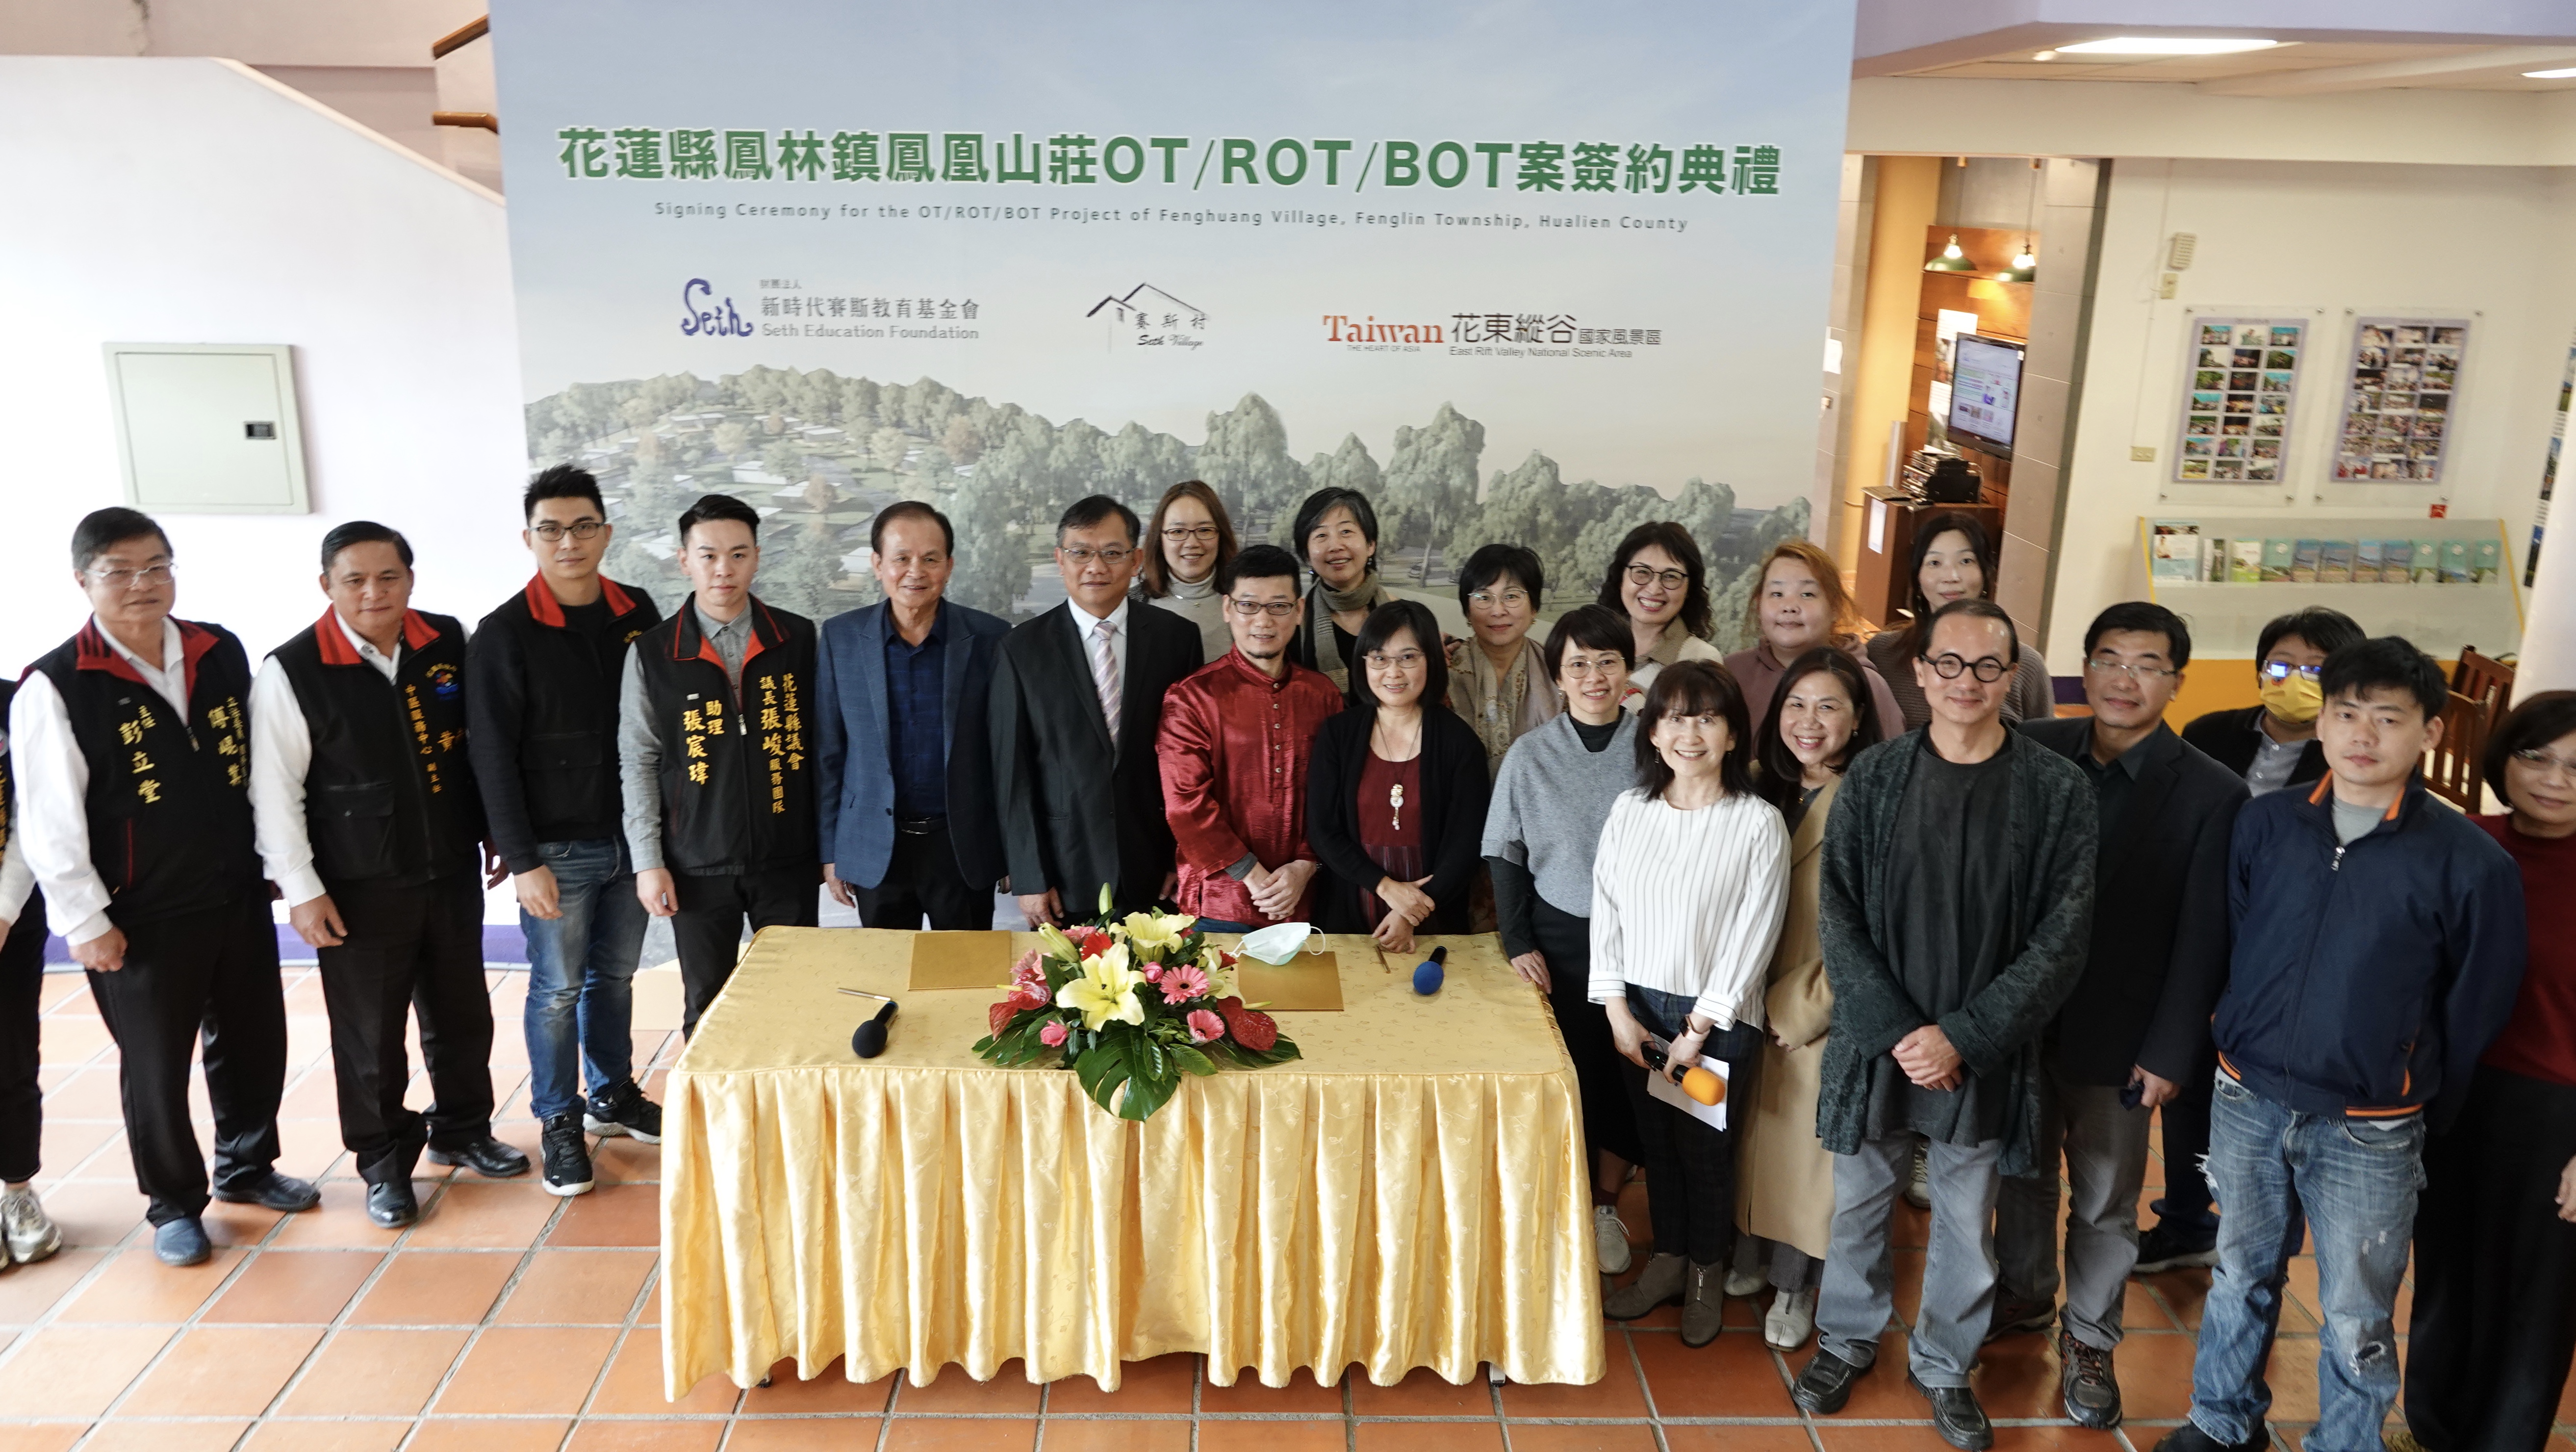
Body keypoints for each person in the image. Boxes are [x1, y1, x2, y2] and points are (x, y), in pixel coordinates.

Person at [2156, 638, 2524, 1452]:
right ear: (2321, 723)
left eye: (2387, 719)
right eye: (2347, 714)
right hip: (2247, 1095)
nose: (2363, 735)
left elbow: (2475, 1004)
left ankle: (2344, 1443)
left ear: (2429, 731)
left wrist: (2411, 1086)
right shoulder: (2264, 823)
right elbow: (2235, 940)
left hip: (2369, 1124)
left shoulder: (2469, 861)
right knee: (2239, 1274)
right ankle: (2220, 1424)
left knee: (2356, 1311)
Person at [1797, 599, 2096, 1451]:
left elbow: (2062, 938)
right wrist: (1900, 1031)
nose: (1967, 681)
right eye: (1949, 664)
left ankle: (1943, 1363)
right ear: (1921, 673)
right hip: (1880, 1045)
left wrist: (1963, 1037)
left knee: (1968, 1220)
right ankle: (1845, 1340)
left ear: (2011, 677)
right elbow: (1837, 915)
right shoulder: (1875, 777)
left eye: (1987, 666)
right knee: (1859, 1205)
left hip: (1983, 1054)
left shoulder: (2055, 790)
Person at [12, 508, 315, 1266]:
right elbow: (49, 820)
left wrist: (277, 867)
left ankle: (247, 1165)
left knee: (253, 1040)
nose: (141, 584)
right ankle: (174, 1205)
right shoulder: (56, 684)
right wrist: (85, 919)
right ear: (83, 581)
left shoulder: (217, 649)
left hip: (233, 890)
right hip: (138, 913)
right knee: (156, 1067)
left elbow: (257, 763)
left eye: (155, 567)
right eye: (118, 572)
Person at [1989, 602, 2246, 1428]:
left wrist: (2171, 1050)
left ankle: (2090, 1337)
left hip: (2124, 1037)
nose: (2123, 679)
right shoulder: (2029, 747)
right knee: (2021, 1174)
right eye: (2108, 658)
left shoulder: (2212, 792)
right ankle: (2023, 1294)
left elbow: (2205, 939)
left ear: (2176, 681)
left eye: (2145, 665)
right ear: (2084, 666)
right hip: (2020, 1021)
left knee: (2103, 1195)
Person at [252, 522, 524, 1229]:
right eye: (355, 580)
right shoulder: (293, 669)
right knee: (370, 1037)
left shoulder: (445, 642)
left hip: (448, 866)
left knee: (462, 1013)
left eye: (388, 577)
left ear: (410, 578)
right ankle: (383, 1163)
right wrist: (302, 888)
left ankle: (463, 1128)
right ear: (327, 586)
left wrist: (495, 828)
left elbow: (477, 746)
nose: (374, 593)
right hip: (356, 885)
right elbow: (274, 790)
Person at [2142, 603, 2367, 1275]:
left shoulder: (2351, 756)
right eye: (2280, 664)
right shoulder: (2210, 732)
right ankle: (2186, 1218)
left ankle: (2264, 1245)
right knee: (2186, 1079)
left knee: (2269, 1099)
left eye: (2315, 670)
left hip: (2284, 954)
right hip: (2198, 931)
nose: (2293, 680)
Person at [468, 465, 666, 1198]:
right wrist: (523, 859)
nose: (569, 542)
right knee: (556, 988)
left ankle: (611, 1093)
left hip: (632, 838)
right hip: (556, 848)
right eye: (550, 529)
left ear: (605, 533)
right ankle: (559, 1117)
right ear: (529, 539)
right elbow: (491, 754)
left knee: (613, 977)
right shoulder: (505, 633)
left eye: (583, 527)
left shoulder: (637, 611)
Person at [1589, 660, 1790, 1346]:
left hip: (1716, 1021)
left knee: (1705, 1152)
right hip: (1641, 1011)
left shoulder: (1757, 823)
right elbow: (1606, 913)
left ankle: (1707, 1272)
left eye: (1708, 718)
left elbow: (1753, 935)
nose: (1690, 733)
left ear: (1733, 734)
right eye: (1675, 717)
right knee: (1658, 1147)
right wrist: (1617, 1011)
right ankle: (1668, 1261)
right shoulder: (1630, 810)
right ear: (1652, 731)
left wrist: (1698, 1028)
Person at [2401, 691, 2576, 1452]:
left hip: (2557, 1114)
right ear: (2504, 757)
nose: (2554, 780)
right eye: (2537, 756)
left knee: (2535, 1301)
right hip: (2454, 1095)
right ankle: (2433, 1431)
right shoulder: (2464, 842)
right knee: (2446, 1272)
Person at [1482, 603, 1648, 1275]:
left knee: (1626, 1076)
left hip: (1641, 941)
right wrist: (1517, 940)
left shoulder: (1655, 746)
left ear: (1628, 669)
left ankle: (1605, 1205)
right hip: (1558, 936)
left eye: (1607, 661)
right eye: (1578, 664)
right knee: (1569, 1072)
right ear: (1557, 675)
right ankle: (1559, 1201)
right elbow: (1504, 851)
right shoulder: (1530, 754)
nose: (1594, 676)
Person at [1729, 647, 1885, 1351]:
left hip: (1815, 1004)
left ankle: (1795, 1282)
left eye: (1828, 707)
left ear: (1858, 718)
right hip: (1744, 992)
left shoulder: (1870, 798)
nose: (1809, 721)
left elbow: (1877, 929)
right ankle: (1750, 1253)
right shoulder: (1762, 787)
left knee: (1804, 1158)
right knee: (1751, 1137)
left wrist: (1805, 1007)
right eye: (1796, 704)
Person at [620, 493, 820, 1037]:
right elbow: (638, 759)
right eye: (708, 555)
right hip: (697, 862)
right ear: (684, 560)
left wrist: (829, 850)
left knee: (798, 997)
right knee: (707, 1008)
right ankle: (714, 1099)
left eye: (738, 554)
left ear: (756, 558)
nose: (723, 570)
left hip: (787, 856)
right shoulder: (653, 653)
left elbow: (826, 748)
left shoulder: (797, 638)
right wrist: (648, 861)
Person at [992, 495, 1204, 923]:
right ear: (1059, 560)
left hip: (1156, 868)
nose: (1095, 567)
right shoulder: (1021, 649)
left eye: (1111, 553)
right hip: (1065, 870)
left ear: (1136, 560)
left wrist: (1180, 855)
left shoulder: (1177, 639)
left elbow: (1191, 763)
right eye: (1080, 553)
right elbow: (1012, 774)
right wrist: (1030, 877)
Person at [816, 501, 1010, 932]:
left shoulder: (991, 638)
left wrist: (1012, 851)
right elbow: (829, 753)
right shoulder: (841, 637)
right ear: (878, 564)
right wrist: (831, 852)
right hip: (875, 848)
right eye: (901, 558)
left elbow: (1007, 754)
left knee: (963, 970)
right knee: (885, 971)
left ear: (949, 566)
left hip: (962, 847)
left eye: (930, 559)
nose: (915, 572)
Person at [1157, 544, 1342, 933]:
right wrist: (1252, 875)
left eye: (1278, 606)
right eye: (1248, 606)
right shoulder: (1191, 697)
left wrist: (1306, 865)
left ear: (1299, 610)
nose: (1263, 621)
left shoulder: (1323, 695)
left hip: (1305, 900)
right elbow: (1185, 805)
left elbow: (1337, 794)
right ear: (1227, 608)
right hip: (1218, 904)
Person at [1306, 600, 1488, 952]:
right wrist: (1386, 887)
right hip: (1349, 910)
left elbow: (1466, 845)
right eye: (1379, 658)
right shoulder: (1338, 734)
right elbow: (1322, 829)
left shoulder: (1460, 743)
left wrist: (1410, 912)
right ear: (1363, 662)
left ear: (1431, 659)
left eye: (1408, 658)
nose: (1393, 672)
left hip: (1434, 916)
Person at [1864, 514, 2053, 730]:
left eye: (1966, 561)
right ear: (1918, 578)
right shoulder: (1882, 654)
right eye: (1935, 563)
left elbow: (2045, 743)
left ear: (1986, 572)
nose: (1951, 577)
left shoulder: (2027, 665)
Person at [1723, 540, 1904, 739]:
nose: (1789, 606)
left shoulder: (1866, 682)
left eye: (1807, 594)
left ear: (1835, 607)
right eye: (1777, 594)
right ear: (1759, 605)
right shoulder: (1730, 673)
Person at [0, 680, 62, 1267]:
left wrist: (2, 909)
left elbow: (32, 814)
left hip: (10, 914)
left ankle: (18, 1190)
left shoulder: (14, 704)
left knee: (12, 1053)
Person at [1446, 543, 1561, 777]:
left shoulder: (1558, 672)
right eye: (1484, 597)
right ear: (1467, 611)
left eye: (1511, 596)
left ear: (1534, 607)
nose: (1498, 611)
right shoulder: (1443, 671)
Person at [1596, 522, 1720, 704]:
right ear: (1620, 577)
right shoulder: (1592, 643)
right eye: (1642, 572)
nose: (1654, 589)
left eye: (1671, 576)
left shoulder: (1701, 660)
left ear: (1689, 589)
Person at [1136, 480, 1239, 663]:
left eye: (1205, 530)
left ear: (1221, 535)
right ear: (1160, 539)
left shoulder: (1247, 603)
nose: (1192, 543)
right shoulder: (1132, 604)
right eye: (1178, 532)